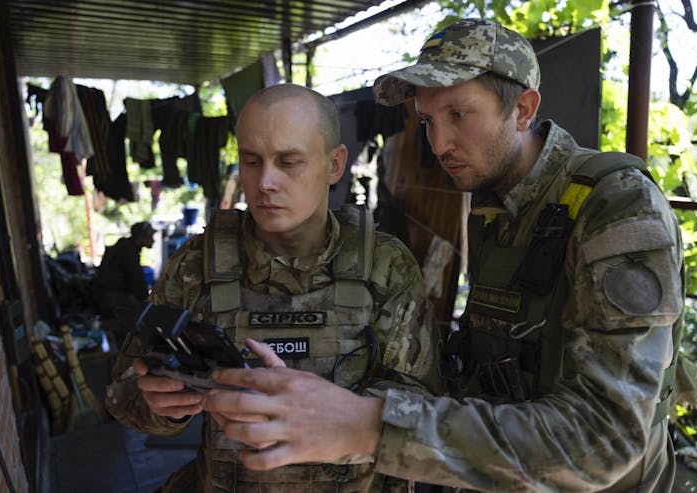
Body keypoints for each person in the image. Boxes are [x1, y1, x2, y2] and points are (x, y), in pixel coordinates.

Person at [203, 19, 685, 492]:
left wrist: (369, 424)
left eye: (458, 114)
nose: (438, 144)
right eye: (429, 120)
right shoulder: (497, 204)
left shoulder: (615, 206)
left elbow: (607, 438)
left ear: (522, 109)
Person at [104, 83, 443, 492]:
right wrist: (165, 406)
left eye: (289, 162)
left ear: (335, 164)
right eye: (251, 161)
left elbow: (427, 409)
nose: (265, 181)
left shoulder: (384, 267)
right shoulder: (196, 266)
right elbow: (124, 392)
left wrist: (335, 409)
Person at [92, 220, 155, 318]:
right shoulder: (129, 251)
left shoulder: (125, 246)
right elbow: (136, 282)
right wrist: (149, 301)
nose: (153, 240)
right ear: (140, 237)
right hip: (110, 297)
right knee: (145, 314)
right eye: (150, 236)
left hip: (104, 294)